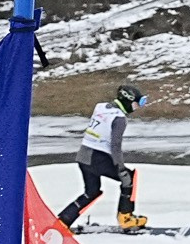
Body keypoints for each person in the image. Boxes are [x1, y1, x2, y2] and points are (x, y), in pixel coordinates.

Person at [58, 84, 146, 231]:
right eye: (136, 104)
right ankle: (126, 218)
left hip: (83, 156)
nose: (136, 108)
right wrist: (121, 168)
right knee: (128, 178)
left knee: (91, 192)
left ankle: (63, 222)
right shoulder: (119, 119)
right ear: (127, 101)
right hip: (97, 158)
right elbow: (115, 146)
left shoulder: (101, 107)